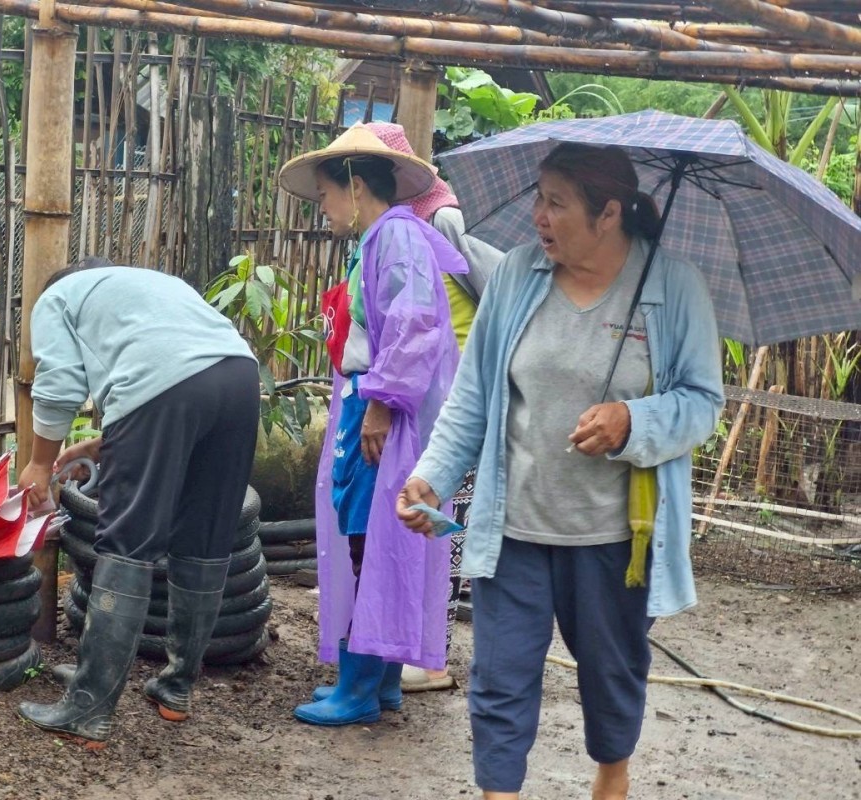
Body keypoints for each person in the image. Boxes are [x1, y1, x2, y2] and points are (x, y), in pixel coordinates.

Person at [397, 143, 724, 799]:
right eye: (537, 198)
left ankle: (612, 775)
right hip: (514, 528)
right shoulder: (518, 275)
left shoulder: (671, 285)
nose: (539, 217)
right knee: (499, 683)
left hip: (613, 543)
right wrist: (431, 473)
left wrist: (634, 420)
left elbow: (702, 404)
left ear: (608, 213)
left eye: (556, 203)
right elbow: (474, 396)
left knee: (611, 680)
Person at [15, 257, 260, 743]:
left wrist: (40, 463)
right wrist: (104, 442)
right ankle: (176, 687)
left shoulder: (57, 297)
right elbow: (183, 366)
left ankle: (89, 707)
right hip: (239, 380)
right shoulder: (154, 284)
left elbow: (60, 381)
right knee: (206, 538)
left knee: (128, 545)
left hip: (166, 388)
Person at [277, 123, 469, 726]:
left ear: (357, 187)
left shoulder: (396, 237)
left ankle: (358, 688)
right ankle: (381, 680)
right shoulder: (384, 239)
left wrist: (381, 404)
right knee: (382, 539)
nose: (324, 208)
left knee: (369, 539)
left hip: (383, 407)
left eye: (328, 195)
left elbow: (411, 324)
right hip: (375, 400)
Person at [364, 121, 503, 694]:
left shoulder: (438, 217)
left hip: (453, 374)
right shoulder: (398, 227)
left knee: (438, 511)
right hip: (436, 374)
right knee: (426, 507)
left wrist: (462, 365)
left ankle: (434, 655)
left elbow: (472, 289)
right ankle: (418, 648)